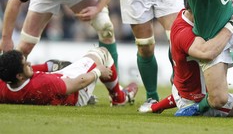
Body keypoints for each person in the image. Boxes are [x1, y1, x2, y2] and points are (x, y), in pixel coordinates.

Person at [0, 47, 138, 106]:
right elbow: (78, 83)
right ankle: (119, 98)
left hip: (57, 85)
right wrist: (98, 71)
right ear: (19, 76)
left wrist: (48, 67)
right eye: (25, 64)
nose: (29, 63)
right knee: (102, 52)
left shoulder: (4, 86)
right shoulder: (43, 84)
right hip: (76, 93)